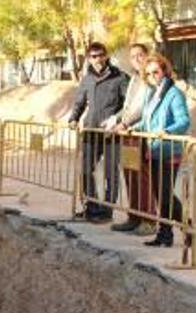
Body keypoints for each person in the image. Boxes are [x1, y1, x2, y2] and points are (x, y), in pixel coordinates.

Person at [129, 53, 190, 247]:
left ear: (165, 71)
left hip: (169, 151)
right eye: (148, 73)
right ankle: (166, 234)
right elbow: (147, 121)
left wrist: (166, 131)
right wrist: (134, 128)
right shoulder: (151, 93)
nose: (153, 76)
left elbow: (184, 121)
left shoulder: (174, 93)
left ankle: (187, 228)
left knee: (165, 195)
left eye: (156, 72)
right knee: (160, 195)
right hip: (153, 149)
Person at [68, 41, 130, 223]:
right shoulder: (87, 79)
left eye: (101, 55)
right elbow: (79, 101)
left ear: (106, 55)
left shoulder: (120, 77)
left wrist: (117, 120)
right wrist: (73, 118)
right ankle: (91, 206)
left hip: (111, 133)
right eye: (94, 56)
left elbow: (127, 106)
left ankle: (107, 211)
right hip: (90, 131)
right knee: (86, 170)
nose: (98, 59)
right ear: (89, 58)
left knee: (111, 173)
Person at [106, 43, 157, 236]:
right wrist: (116, 119)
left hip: (140, 133)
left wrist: (124, 124)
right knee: (130, 176)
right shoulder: (134, 79)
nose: (136, 59)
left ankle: (149, 220)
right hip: (128, 135)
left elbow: (142, 109)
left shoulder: (151, 78)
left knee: (143, 178)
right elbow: (128, 106)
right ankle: (134, 216)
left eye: (140, 55)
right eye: (133, 56)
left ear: (147, 56)